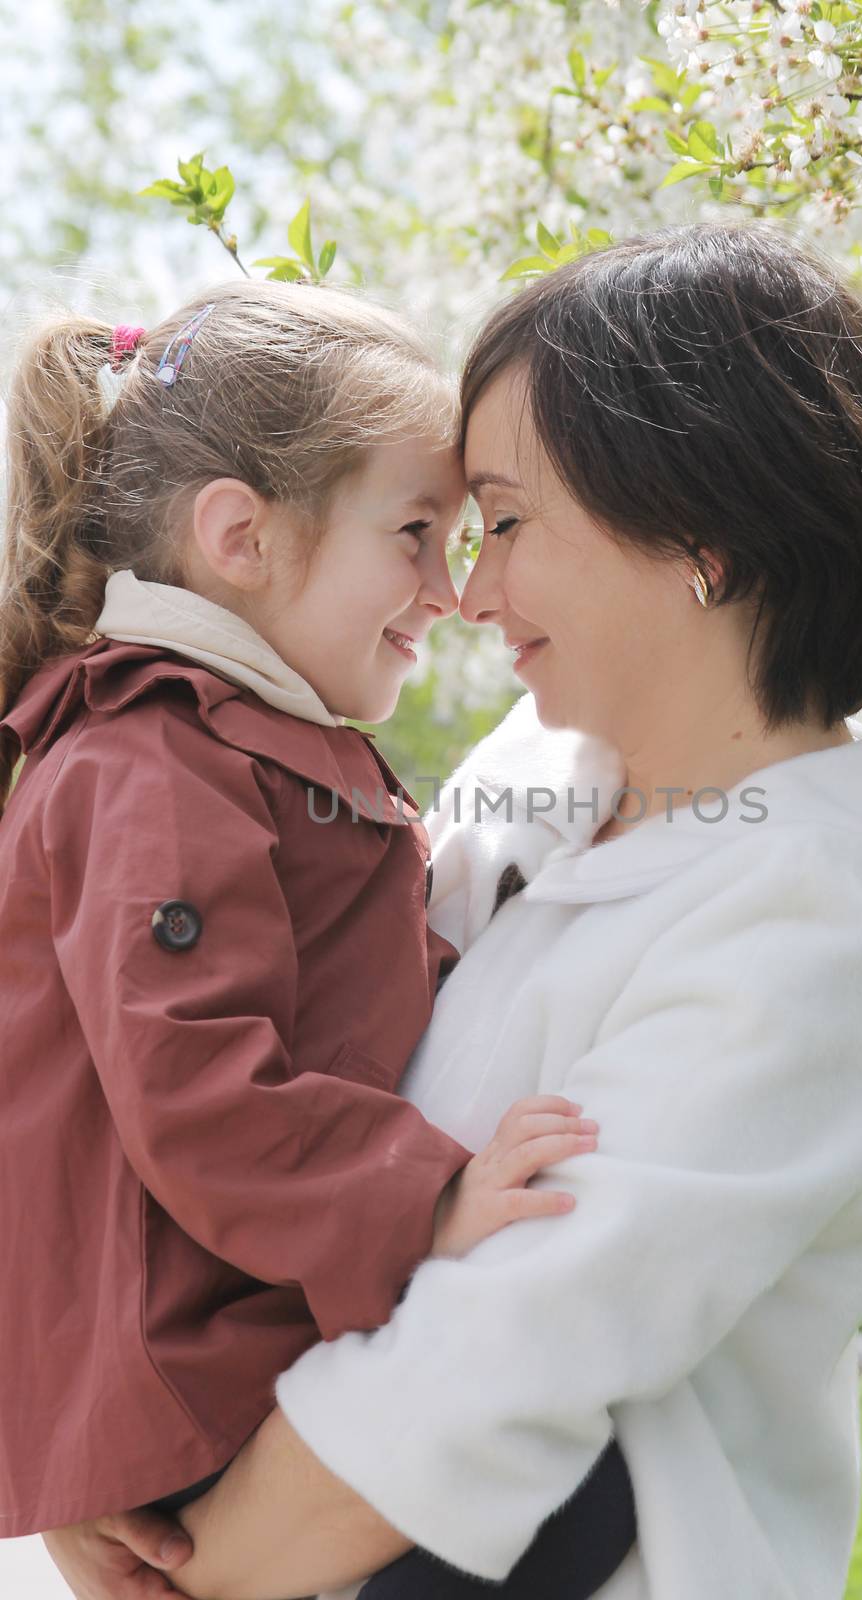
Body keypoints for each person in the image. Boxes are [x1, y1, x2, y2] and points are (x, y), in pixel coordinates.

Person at [42, 218, 862, 1600]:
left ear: (701, 541)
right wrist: (85, 1451)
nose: (466, 593)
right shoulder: (535, 779)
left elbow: (492, 1366)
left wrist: (184, 1566)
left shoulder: (828, 920)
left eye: (507, 525)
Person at [0, 281, 633, 1597]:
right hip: (202, 1376)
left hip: (227, 1344)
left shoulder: (241, 750)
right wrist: (434, 1197)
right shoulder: (148, 766)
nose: (450, 591)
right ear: (242, 537)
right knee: (582, 1482)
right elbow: (201, 1091)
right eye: (415, 533)